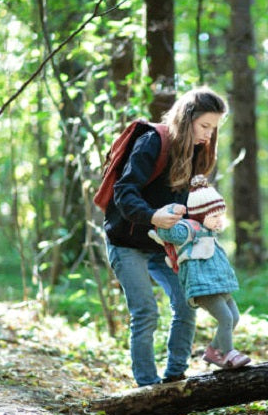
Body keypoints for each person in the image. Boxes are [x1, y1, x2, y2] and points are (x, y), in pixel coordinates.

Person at [104, 87, 227, 386]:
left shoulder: (197, 151)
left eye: (214, 129)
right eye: (204, 126)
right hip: (127, 241)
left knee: (187, 303)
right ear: (187, 119)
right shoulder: (152, 142)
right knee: (146, 312)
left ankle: (175, 379)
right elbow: (124, 191)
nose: (209, 136)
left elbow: (192, 203)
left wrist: (208, 220)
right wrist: (152, 215)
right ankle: (148, 387)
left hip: (165, 244)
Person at [154, 175, 251, 369]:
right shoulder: (189, 229)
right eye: (214, 216)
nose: (219, 221)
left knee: (235, 317)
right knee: (225, 318)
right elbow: (167, 232)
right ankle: (228, 354)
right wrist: (170, 212)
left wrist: (216, 223)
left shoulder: (208, 231)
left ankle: (213, 352)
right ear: (200, 214)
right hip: (202, 286)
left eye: (220, 216)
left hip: (218, 284)